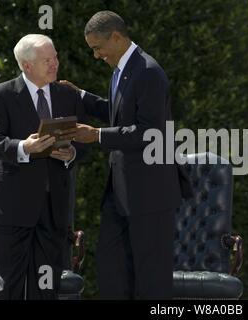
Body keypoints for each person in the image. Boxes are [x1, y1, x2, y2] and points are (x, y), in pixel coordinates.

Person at [61, 11, 182, 299]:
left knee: (150, 278)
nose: (96, 55)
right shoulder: (122, 70)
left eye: (97, 47)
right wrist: (81, 96)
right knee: (112, 269)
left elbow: (149, 132)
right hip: (121, 192)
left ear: (116, 37)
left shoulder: (149, 72)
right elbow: (119, 113)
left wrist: (97, 135)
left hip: (149, 194)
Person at [0, 34, 85, 299]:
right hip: (11, 209)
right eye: (47, 60)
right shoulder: (0, 95)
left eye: (56, 57)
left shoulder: (66, 95)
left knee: (47, 285)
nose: (55, 64)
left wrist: (71, 152)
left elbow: (80, 139)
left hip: (53, 210)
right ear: (26, 66)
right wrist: (24, 147)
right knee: (10, 285)